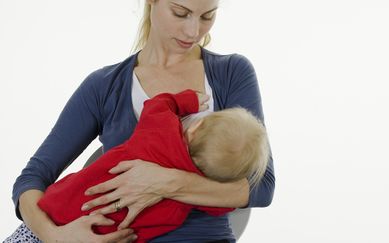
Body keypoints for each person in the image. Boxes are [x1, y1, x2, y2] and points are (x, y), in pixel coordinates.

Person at [9, 0, 275, 242]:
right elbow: (31, 179)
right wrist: (56, 237)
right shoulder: (104, 87)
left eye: (207, 16)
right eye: (180, 13)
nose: (194, 31)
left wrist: (164, 182)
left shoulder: (231, 73)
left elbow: (261, 188)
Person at [36, 89, 269, 242]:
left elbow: (157, 103)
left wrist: (186, 100)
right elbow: (224, 205)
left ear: (196, 127)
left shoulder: (160, 129)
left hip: (58, 207)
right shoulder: (191, 199)